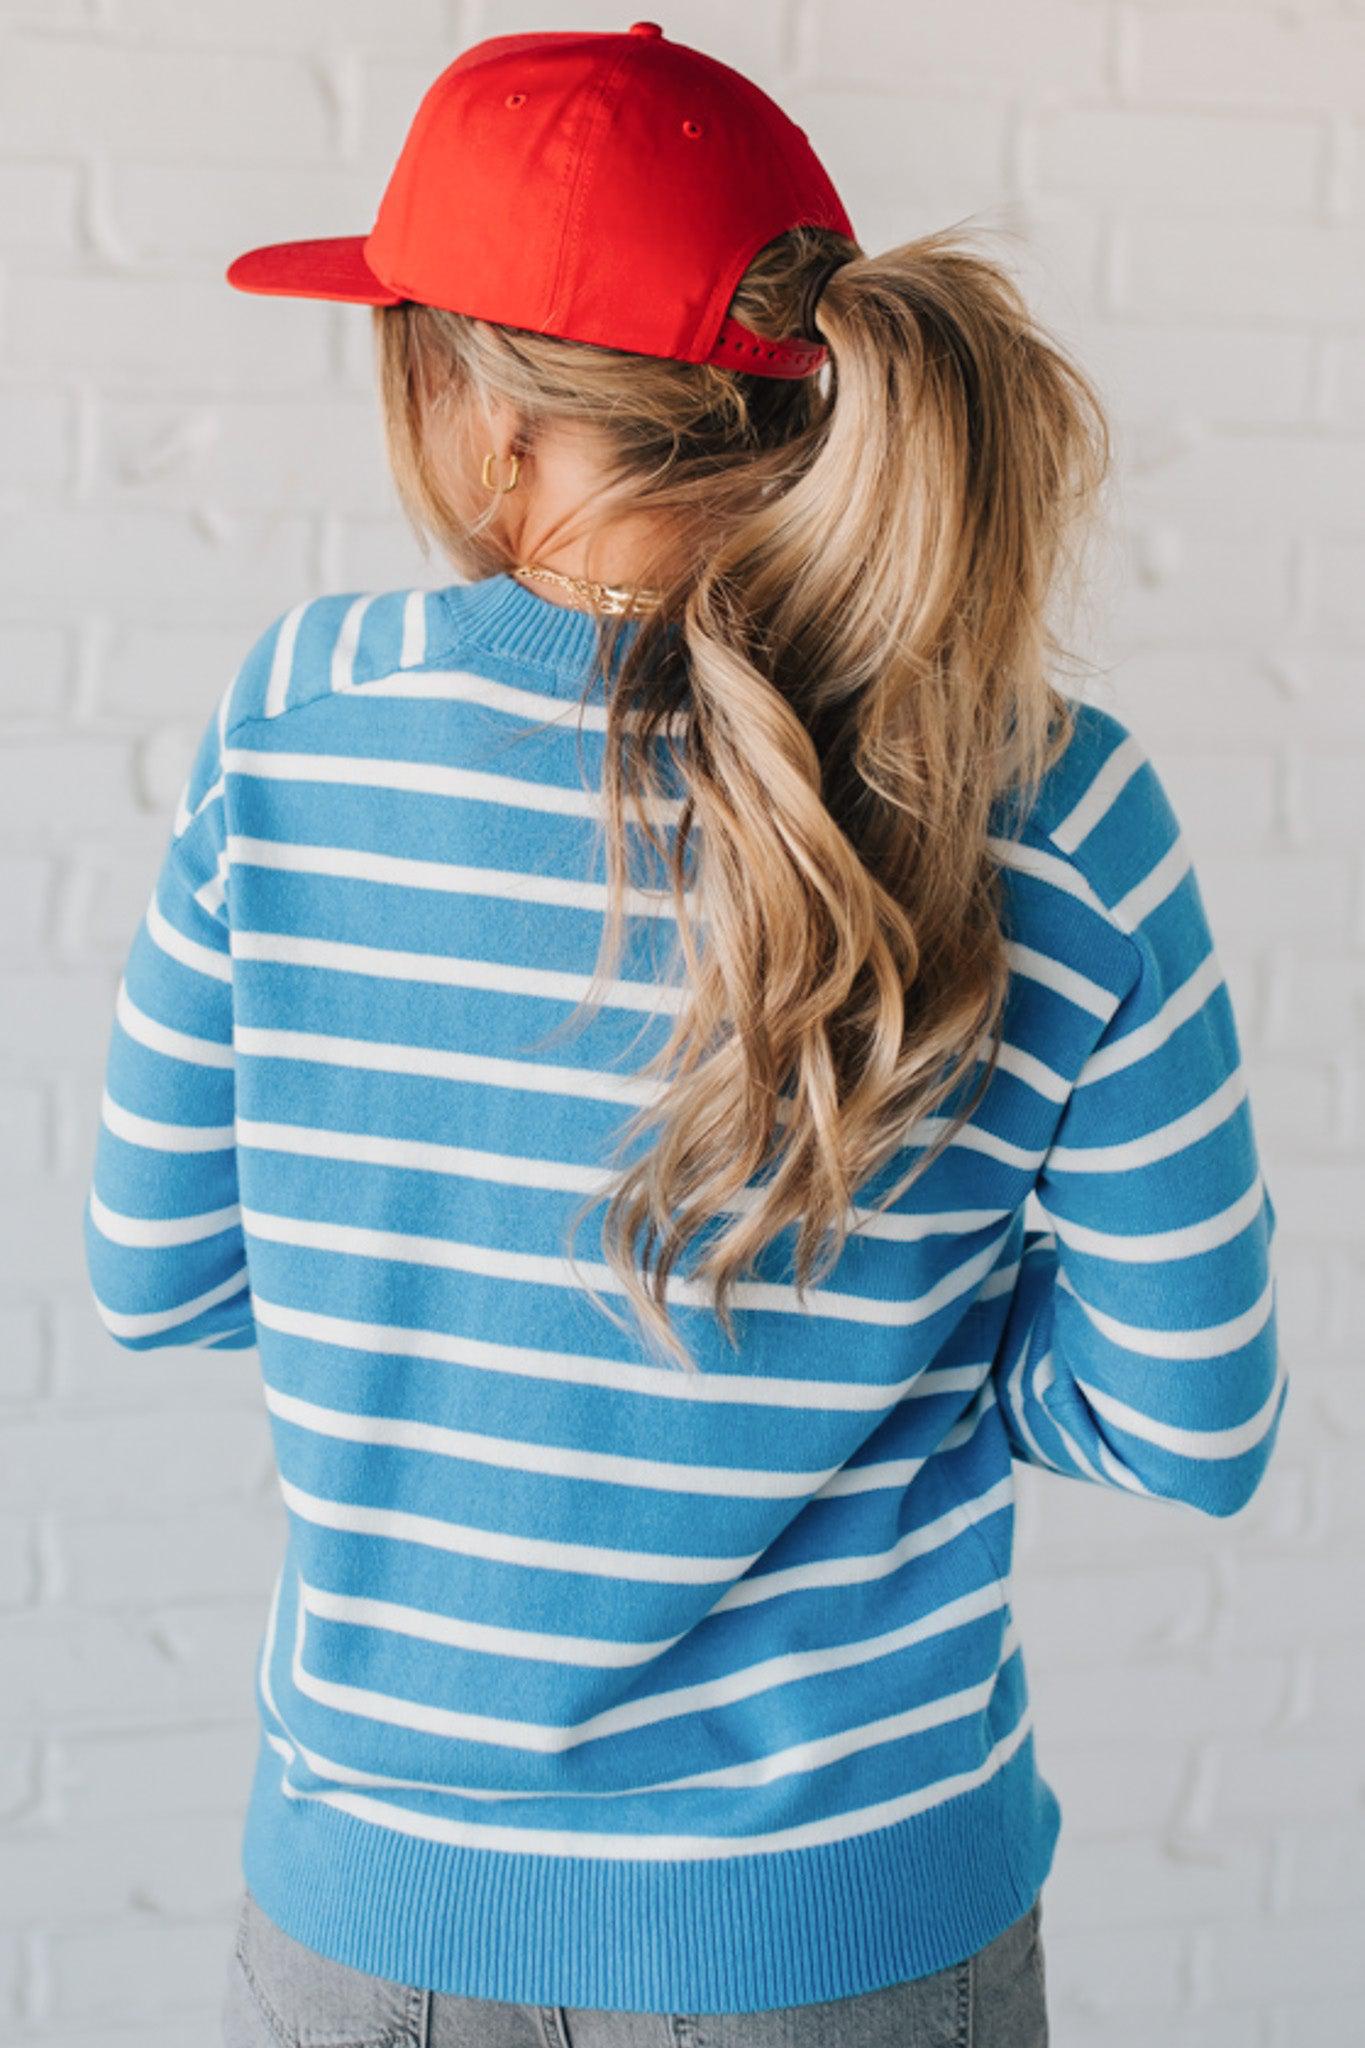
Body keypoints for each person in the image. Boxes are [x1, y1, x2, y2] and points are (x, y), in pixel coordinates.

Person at [81, 19, 1287, 2048]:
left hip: (365, 1930)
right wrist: (889, 1349)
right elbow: (1195, 1417)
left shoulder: (297, 714)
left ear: (481, 416)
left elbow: (157, 1274)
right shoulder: (1052, 795)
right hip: (845, 1936)